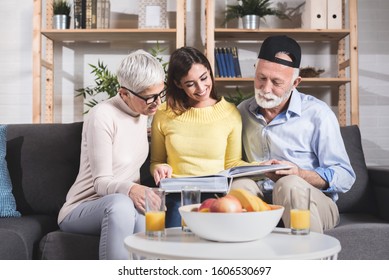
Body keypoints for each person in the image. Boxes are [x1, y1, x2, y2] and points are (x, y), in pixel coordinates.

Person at [237, 35, 356, 233]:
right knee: (239, 187)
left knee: (290, 184)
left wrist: (301, 174)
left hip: (313, 203)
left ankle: (309, 260)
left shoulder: (318, 114)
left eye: (276, 82)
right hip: (263, 202)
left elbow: (345, 176)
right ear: (255, 72)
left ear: (295, 82)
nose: (266, 89)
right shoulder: (242, 112)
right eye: (261, 78)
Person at [58, 50, 166, 259]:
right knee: (121, 205)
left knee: (153, 206)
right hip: (84, 206)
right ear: (124, 93)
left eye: (160, 93)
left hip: (124, 203)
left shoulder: (142, 112)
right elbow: (100, 183)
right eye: (150, 97)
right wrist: (132, 188)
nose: (158, 102)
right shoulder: (102, 116)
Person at [150, 46, 252, 227]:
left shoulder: (230, 113)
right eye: (190, 84)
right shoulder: (164, 113)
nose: (201, 88)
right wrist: (159, 168)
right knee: (176, 244)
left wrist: (264, 166)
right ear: (178, 84)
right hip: (177, 196)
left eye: (204, 78)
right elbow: (156, 161)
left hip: (217, 196)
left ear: (209, 71)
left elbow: (232, 164)